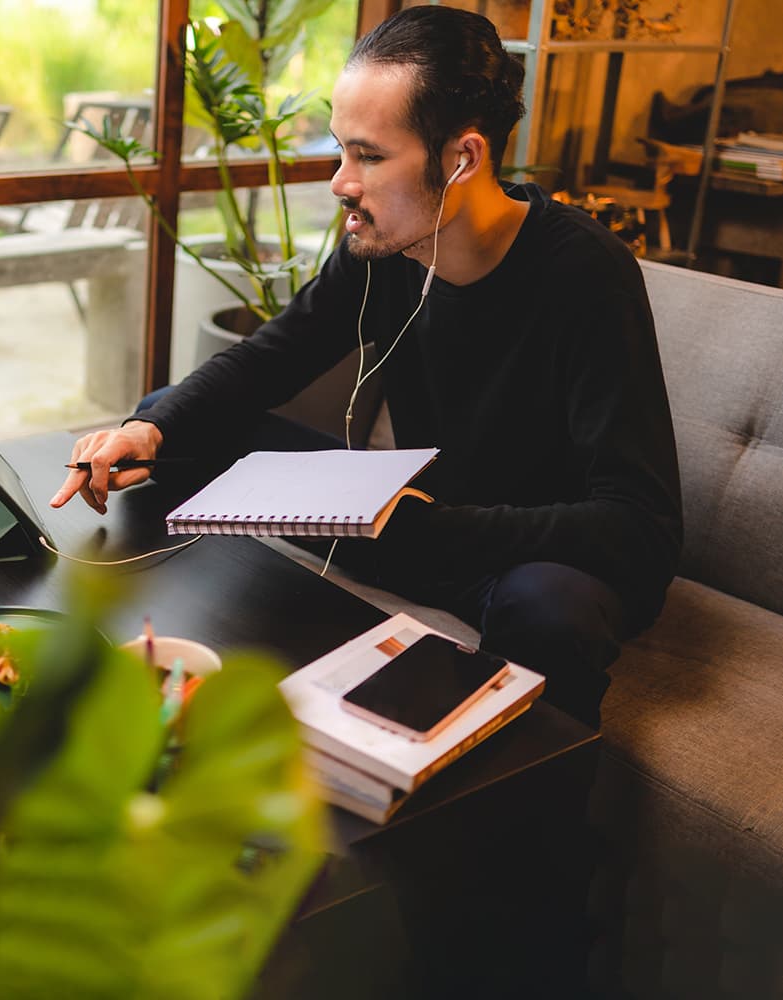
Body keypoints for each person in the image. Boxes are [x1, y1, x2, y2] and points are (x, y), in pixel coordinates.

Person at [51, 5, 682, 728]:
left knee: (551, 610)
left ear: (461, 159)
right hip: (414, 517)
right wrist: (145, 430)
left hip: (524, 556)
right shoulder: (383, 245)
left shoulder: (585, 273)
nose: (339, 183)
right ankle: (158, 614)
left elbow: (640, 526)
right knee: (177, 416)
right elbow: (270, 357)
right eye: (341, 151)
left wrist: (425, 528)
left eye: (369, 157)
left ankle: (516, 824)